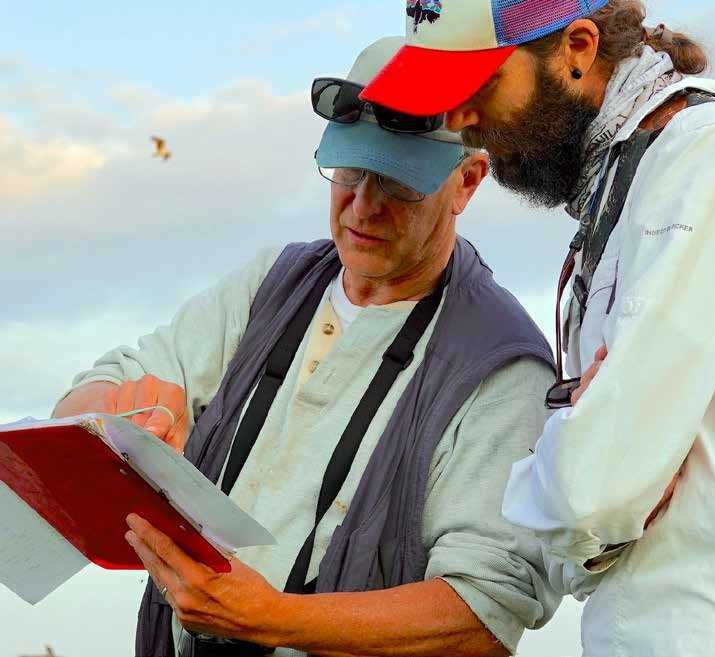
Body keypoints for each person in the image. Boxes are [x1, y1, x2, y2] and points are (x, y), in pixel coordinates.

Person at [360, 2, 715, 656]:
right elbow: (575, 549)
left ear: (579, 48)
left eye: (481, 87)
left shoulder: (710, 159)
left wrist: (567, 477)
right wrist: (583, 470)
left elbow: (595, 495)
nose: (460, 118)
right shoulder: (623, 196)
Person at [52, 37, 561, 657]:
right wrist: (117, 409)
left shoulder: (503, 369)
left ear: (467, 184)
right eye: (349, 171)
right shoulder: (271, 283)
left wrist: (273, 620)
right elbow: (84, 399)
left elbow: (481, 616)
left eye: (399, 185)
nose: (365, 206)